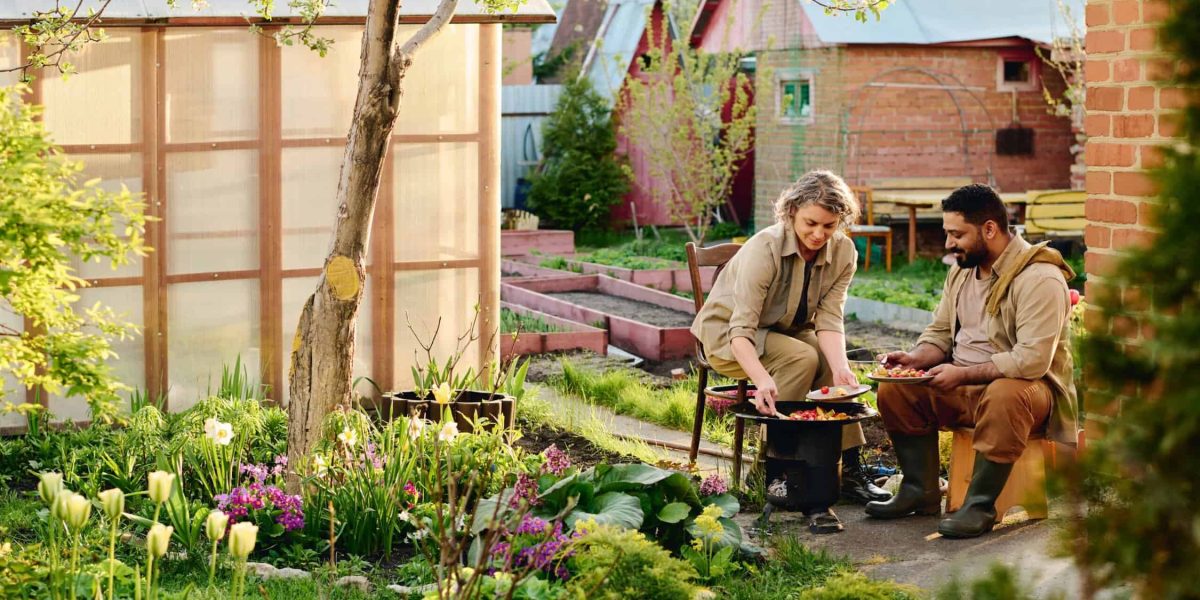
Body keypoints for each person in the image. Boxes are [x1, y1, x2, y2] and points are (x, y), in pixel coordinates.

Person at [864, 184, 1078, 538]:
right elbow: (940, 334)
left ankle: (979, 505)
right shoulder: (962, 271)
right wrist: (915, 359)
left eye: (956, 234)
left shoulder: (1040, 277)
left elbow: (1031, 362)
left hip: (1026, 397)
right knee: (895, 389)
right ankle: (920, 491)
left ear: (990, 229)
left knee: (1006, 392)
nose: (948, 243)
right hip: (963, 387)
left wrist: (961, 374)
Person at [691, 170, 892, 534]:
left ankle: (845, 469)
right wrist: (761, 378)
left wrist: (843, 368)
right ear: (791, 211)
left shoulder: (844, 252)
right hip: (728, 336)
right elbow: (741, 330)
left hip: (786, 333)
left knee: (831, 367)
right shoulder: (763, 248)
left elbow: (829, 321)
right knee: (802, 358)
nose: (818, 234)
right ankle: (775, 471)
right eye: (810, 223)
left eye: (829, 226)